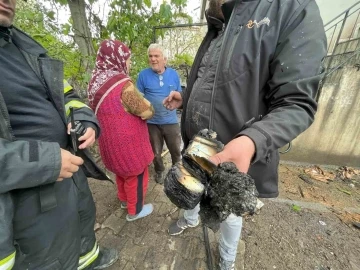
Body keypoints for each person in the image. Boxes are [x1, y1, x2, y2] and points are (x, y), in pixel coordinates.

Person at [163, 0, 327, 269]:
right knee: (190, 189)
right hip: (198, 148)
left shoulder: (291, 8)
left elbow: (297, 103)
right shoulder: (218, 24)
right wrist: (187, 95)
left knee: (229, 212)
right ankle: (190, 219)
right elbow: (212, 80)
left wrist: (253, 139)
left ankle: (227, 260)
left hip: (233, 157)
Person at [0, 0, 118, 269]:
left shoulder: (23, 46)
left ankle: (90, 259)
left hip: (69, 171)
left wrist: (84, 119)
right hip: (26, 193)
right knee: (49, 255)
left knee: (81, 221)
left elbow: (66, 95)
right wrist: (46, 161)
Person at [88, 40, 155, 222]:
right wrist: (149, 104)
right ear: (117, 58)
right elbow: (145, 111)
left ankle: (125, 200)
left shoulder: (95, 82)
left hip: (109, 143)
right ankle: (135, 210)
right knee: (137, 175)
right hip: (128, 145)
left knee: (121, 173)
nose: (129, 63)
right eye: (128, 59)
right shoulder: (123, 85)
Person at [136, 44, 182, 184]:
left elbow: (180, 95)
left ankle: (177, 172)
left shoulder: (173, 74)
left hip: (171, 121)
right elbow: (138, 99)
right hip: (151, 123)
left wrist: (177, 99)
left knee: (175, 150)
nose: (153, 59)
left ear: (164, 59)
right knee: (155, 152)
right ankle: (160, 171)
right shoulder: (143, 75)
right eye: (150, 56)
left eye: (156, 56)